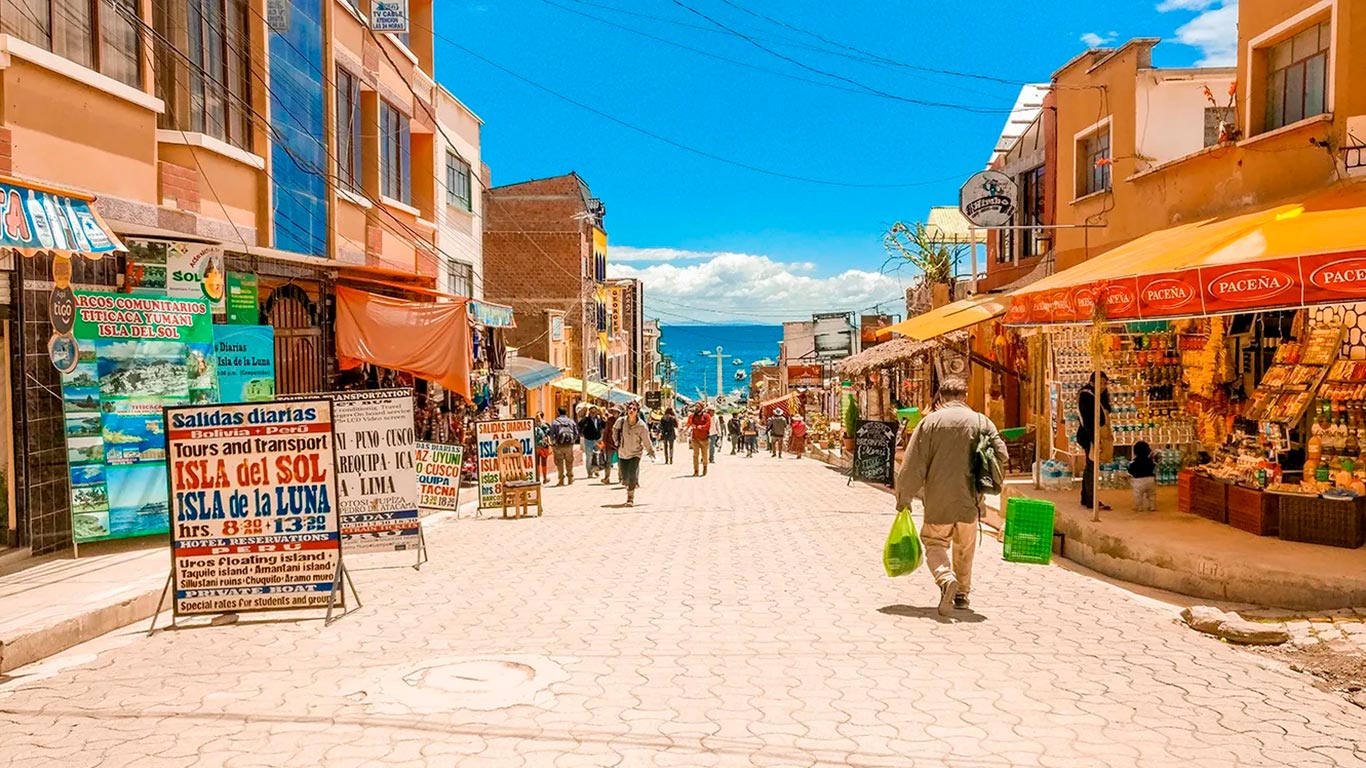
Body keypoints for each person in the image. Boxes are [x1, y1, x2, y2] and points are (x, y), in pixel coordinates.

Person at [895, 377, 1007, 616]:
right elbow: (1002, 453)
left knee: (935, 543)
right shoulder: (981, 421)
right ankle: (962, 594)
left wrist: (903, 497)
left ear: (941, 397)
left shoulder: (930, 423)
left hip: (938, 501)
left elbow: (913, 464)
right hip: (971, 500)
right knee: (965, 547)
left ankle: (945, 577)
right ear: (964, 396)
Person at [1077, 372, 1113, 511]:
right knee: (1092, 467)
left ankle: (1086, 497)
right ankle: (1091, 499)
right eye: (1100, 383)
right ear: (1092, 383)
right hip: (1089, 436)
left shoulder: (1100, 397)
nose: (1103, 386)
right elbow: (1087, 421)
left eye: (1105, 383)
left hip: (1097, 435)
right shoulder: (1086, 397)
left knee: (1090, 466)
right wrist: (1094, 440)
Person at [614, 402, 656, 506]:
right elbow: (614, 430)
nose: (631, 410)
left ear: (637, 411)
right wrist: (616, 441)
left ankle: (630, 499)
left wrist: (651, 451)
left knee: (632, 475)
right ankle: (629, 487)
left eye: (634, 409)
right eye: (629, 408)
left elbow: (646, 440)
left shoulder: (641, 426)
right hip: (623, 453)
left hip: (635, 453)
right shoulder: (621, 421)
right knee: (625, 478)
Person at [547, 408, 580, 486]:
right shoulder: (571, 421)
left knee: (559, 463)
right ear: (566, 412)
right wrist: (573, 441)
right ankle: (570, 478)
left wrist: (553, 442)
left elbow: (551, 435)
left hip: (559, 445)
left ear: (558, 412)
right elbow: (576, 433)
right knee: (569, 462)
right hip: (569, 445)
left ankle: (561, 480)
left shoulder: (555, 422)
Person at [684, 403, 712, 477]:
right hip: (695, 438)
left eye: (698, 407)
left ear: (702, 408)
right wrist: (684, 429)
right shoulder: (692, 416)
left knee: (704, 456)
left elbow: (708, 426)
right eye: (696, 407)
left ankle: (705, 468)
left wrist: (699, 427)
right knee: (695, 455)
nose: (696, 408)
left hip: (704, 439)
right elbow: (688, 424)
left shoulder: (707, 416)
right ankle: (696, 471)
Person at [577, 407, 606, 478]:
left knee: (598, 455)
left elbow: (604, 426)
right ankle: (589, 472)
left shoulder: (599, 419)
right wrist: (584, 417)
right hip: (588, 440)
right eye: (591, 412)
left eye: (594, 412)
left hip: (598, 439)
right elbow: (579, 425)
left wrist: (603, 418)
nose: (593, 414)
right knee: (589, 456)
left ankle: (596, 470)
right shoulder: (586, 419)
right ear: (589, 412)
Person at [1129, 440, 1157, 512]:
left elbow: (1131, 470)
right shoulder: (1150, 461)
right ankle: (1152, 506)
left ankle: (1139, 507)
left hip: (1138, 480)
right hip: (1150, 479)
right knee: (1151, 494)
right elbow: (1153, 467)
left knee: (1138, 495)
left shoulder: (1134, 462)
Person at [601, 407, 621, 484]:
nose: (614, 413)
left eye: (616, 412)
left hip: (619, 444)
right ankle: (607, 477)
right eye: (613, 412)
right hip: (609, 443)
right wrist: (603, 443)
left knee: (620, 462)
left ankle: (621, 477)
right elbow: (606, 432)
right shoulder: (609, 420)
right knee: (608, 462)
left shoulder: (622, 421)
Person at [533, 414, 552, 484]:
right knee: (544, 463)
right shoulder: (545, 425)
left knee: (537, 463)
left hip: (536, 447)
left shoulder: (532, 425)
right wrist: (550, 443)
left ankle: (537, 478)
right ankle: (544, 478)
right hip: (544, 447)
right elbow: (548, 435)